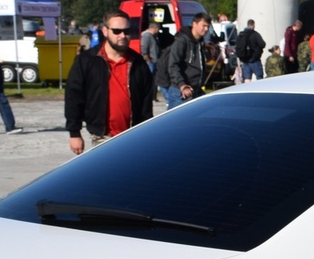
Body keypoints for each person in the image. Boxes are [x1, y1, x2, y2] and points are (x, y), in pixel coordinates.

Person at [64, 9, 153, 155]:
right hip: (102, 137)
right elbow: (74, 97)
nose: (123, 36)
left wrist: (146, 134)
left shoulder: (139, 64)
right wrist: (74, 133)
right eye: (117, 31)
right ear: (105, 31)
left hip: (133, 137)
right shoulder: (87, 61)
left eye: (127, 31)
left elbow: (146, 105)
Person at [163, 12, 211, 109]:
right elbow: (173, 65)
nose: (206, 29)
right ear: (194, 24)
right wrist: (182, 85)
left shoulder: (200, 43)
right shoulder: (182, 41)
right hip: (181, 92)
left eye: (208, 26)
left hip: (195, 91)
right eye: (204, 25)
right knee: (176, 122)